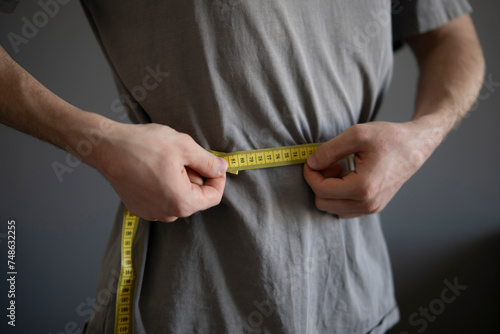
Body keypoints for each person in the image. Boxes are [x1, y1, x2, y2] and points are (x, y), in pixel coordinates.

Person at [0, 0, 484, 333]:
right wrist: (97, 141)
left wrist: (425, 136)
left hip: (358, 298)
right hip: (188, 300)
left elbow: (450, 34)